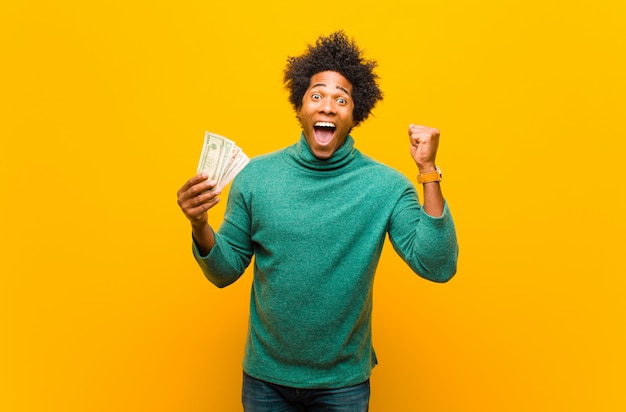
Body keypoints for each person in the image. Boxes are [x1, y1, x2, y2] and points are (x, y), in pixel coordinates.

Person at [176, 31, 458, 412]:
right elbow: (224, 271)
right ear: (300, 107)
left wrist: (427, 171)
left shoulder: (386, 186)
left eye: (341, 99)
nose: (327, 107)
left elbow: (437, 265)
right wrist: (199, 224)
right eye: (317, 95)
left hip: (342, 385)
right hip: (265, 380)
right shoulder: (256, 177)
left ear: (355, 115)